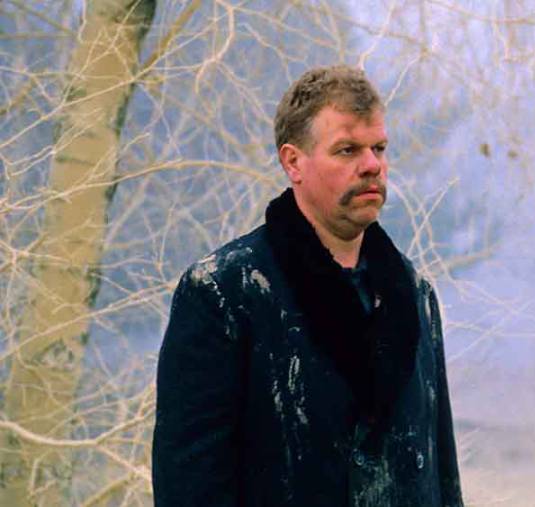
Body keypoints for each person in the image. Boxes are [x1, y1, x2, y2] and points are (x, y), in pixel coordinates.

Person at [152, 65, 464, 507]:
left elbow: (442, 476)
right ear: (293, 162)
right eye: (347, 150)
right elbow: (188, 490)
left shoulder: (414, 295)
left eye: (378, 148)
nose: (372, 165)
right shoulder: (223, 292)